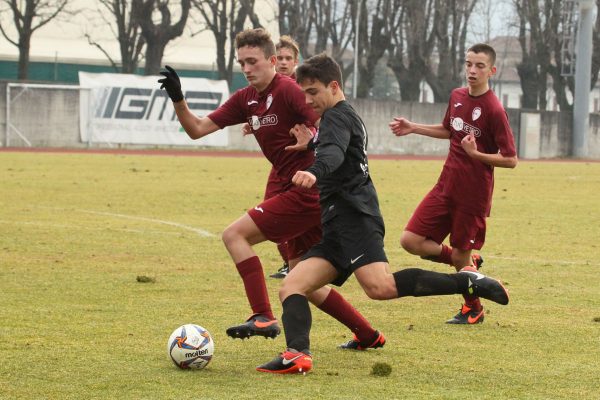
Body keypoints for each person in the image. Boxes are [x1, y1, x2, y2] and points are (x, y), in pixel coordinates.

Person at [256, 53, 510, 375]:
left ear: (334, 86)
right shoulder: (342, 116)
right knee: (292, 286)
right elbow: (337, 151)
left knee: (381, 288)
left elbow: (333, 156)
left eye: (313, 92)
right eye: (304, 93)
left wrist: (315, 171)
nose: (308, 100)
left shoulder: (336, 117)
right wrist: (311, 146)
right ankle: (297, 354)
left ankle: (467, 281)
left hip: (355, 217)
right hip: (337, 222)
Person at [158, 28, 385, 350]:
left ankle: (262, 315)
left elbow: (331, 125)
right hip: (297, 192)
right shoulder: (245, 100)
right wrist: (178, 99)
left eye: (253, 61)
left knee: (234, 236)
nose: (247, 69)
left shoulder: (290, 91)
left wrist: (313, 140)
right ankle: (368, 334)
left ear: (272, 60)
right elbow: (197, 129)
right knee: (301, 281)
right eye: (242, 63)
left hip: (307, 190)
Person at [389, 43, 518, 324]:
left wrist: (476, 155)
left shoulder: (494, 109)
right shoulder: (457, 96)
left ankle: (474, 308)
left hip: (473, 196)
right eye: (469, 64)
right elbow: (450, 130)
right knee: (410, 241)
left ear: (491, 71)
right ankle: (468, 265)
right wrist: (414, 127)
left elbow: (510, 159)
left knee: (462, 255)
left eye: (479, 66)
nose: (472, 70)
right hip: (445, 185)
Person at [268, 35, 301, 279]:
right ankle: (290, 263)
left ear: (296, 61)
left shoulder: (302, 86)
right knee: (270, 214)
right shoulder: (269, 87)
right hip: (281, 164)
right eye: (279, 58)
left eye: (288, 58)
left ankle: (297, 264)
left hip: (304, 162)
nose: (283, 62)